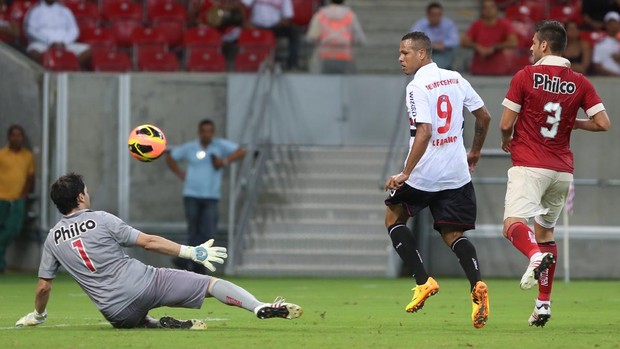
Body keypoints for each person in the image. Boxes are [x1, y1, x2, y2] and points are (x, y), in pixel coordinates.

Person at [15, 173, 302, 329]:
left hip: (116, 311)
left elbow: (43, 287)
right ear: (80, 197)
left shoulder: (52, 238)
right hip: (148, 284)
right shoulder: (100, 218)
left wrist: (38, 316)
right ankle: (258, 306)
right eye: (86, 190)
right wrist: (192, 253)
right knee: (212, 285)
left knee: (134, 320)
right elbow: (148, 242)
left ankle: (155, 324)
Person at [500, 20, 611, 327]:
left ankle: (533, 257)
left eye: (534, 43)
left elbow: (506, 123)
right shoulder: (580, 81)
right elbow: (603, 123)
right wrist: (573, 123)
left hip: (529, 164)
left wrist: (507, 138)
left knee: (512, 224)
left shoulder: (526, 75)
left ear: (544, 45)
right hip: (562, 170)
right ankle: (543, 305)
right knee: (546, 233)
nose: (531, 47)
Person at [384, 32, 492, 329]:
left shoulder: (417, 86)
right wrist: (475, 152)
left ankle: (423, 281)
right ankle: (477, 285)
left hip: (424, 173)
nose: (400, 58)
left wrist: (405, 172)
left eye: (405, 52)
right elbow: (484, 117)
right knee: (453, 235)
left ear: (422, 54)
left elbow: (425, 131)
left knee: (393, 218)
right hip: (456, 172)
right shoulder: (455, 78)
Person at [166, 119, 245, 274]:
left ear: (213, 133)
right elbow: (170, 157)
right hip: (192, 194)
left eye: (209, 131)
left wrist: (224, 161)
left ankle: (187, 261)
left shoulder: (219, 146)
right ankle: (197, 265)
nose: (206, 134)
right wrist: (180, 174)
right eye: (203, 131)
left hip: (211, 196)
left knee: (207, 231)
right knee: (193, 230)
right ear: (199, 132)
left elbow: (241, 151)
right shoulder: (190, 147)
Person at [0, 125, 35, 274]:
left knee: (13, 230)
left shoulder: (28, 156)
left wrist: (24, 194)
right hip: (1, 199)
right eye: (14, 135)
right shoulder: (1, 154)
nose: (17, 138)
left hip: (18, 200)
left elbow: (30, 177)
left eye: (19, 135)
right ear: (9, 137)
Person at [24, 0, 91, 69]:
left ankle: (69, 67)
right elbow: (30, 30)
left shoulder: (65, 10)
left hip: (65, 44)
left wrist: (64, 42)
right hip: (43, 44)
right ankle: (45, 71)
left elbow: (74, 30)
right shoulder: (35, 10)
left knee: (88, 51)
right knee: (33, 51)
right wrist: (49, 41)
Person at [305, 0, 366, 74]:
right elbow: (359, 37)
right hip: (345, 55)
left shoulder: (320, 15)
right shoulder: (350, 15)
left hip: (325, 54)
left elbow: (311, 37)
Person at [461, 0, 518, 75]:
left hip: (499, 68)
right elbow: (464, 42)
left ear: (496, 9)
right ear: (482, 10)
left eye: (491, 7)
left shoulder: (504, 24)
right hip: (478, 68)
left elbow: (514, 42)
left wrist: (495, 47)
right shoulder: (476, 24)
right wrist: (477, 46)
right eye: (485, 8)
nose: (488, 10)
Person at [241, 0, 300, 70]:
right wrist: (245, 21)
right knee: (242, 29)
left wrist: (281, 23)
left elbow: (288, 16)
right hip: (257, 25)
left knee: (294, 31)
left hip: (275, 26)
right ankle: (246, 61)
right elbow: (242, 5)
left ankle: (292, 64)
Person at [410, 2, 459, 70]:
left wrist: (443, 44)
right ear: (428, 15)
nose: (436, 17)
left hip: (444, 53)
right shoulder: (420, 24)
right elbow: (413, 39)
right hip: (426, 53)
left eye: (438, 14)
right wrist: (432, 45)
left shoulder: (449, 24)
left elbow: (455, 41)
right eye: (433, 15)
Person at [592, 11, 620, 76]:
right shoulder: (600, 44)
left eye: (615, 23)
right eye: (610, 23)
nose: (613, 25)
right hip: (608, 80)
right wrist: (614, 75)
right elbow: (597, 65)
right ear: (606, 25)